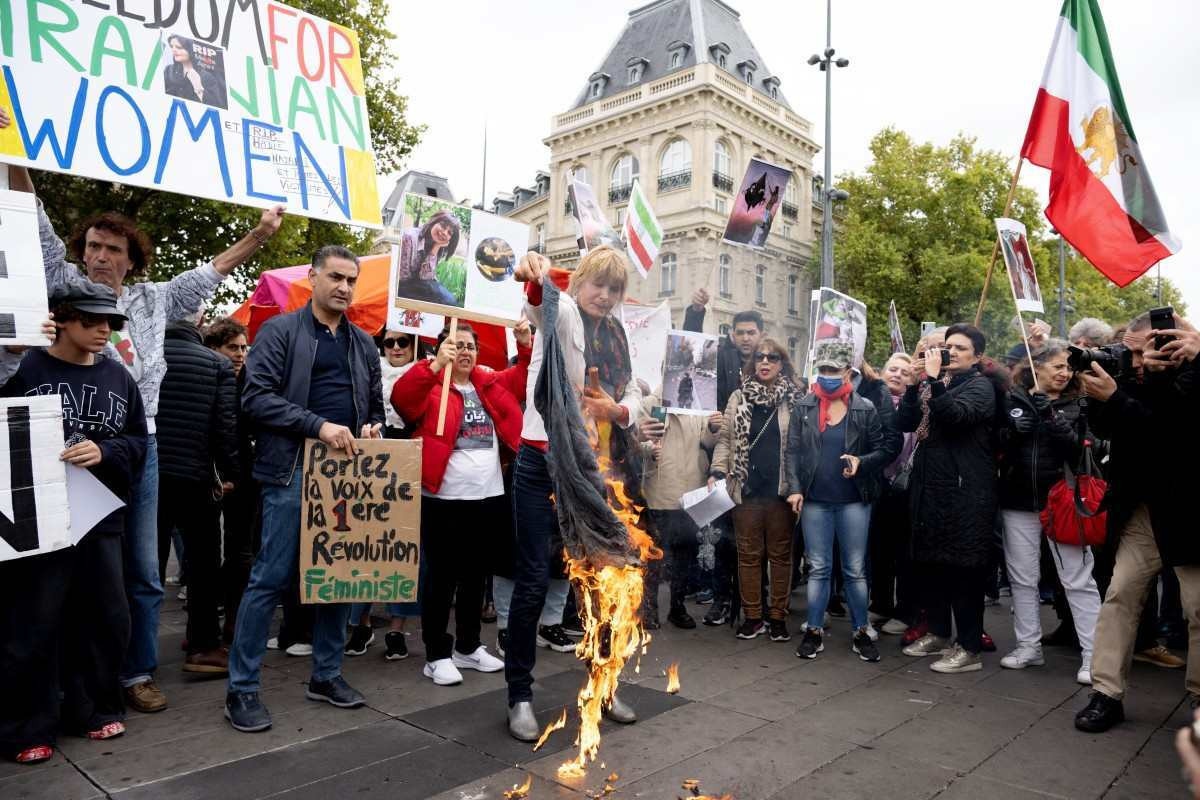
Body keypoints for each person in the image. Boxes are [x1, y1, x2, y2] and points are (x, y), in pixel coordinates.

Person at [8, 157, 284, 714]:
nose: (99, 257)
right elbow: (34, 220)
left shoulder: (155, 300)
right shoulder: (62, 285)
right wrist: (16, 155)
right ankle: (67, 678)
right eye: (92, 246)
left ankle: (134, 672)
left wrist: (259, 232)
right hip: (59, 451)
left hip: (139, 450)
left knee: (141, 569)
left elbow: (213, 269)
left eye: (113, 249)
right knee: (57, 570)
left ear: (133, 260)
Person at [225, 245, 385, 733]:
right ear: (313, 278)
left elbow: (375, 403)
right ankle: (243, 689)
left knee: (343, 576)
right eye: (335, 277)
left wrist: (373, 426)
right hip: (292, 469)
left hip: (347, 476)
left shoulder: (363, 342)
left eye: (350, 280)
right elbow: (255, 399)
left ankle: (327, 675)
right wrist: (320, 426)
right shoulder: (279, 331)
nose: (343, 287)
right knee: (270, 578)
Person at [0, 285, 146, 763]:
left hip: (99, 513)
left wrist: (107, 451)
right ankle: (27, 726)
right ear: (61, 319)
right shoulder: (25, 367)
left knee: (106, 617)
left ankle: (95, 709)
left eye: (113, 322)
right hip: (33, 515)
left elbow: (138, 442)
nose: (105, 329)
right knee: (34, 620)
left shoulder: (119, 376)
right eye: (92, 320)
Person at [504, 247, 642, 742]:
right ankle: (519, 696)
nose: (604, 296)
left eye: (614, 289)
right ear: (580, 280)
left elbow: (635, 394)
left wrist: (618, 411)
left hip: (593, 469)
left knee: (603, 582)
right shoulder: (561, 313)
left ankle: (605, 687)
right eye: (597, 284)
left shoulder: (618, 335)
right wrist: (532, 273)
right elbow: (540, 303)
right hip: (540, 462)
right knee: (534, 581)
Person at [1074, 314, 1200, 733]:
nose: (1135, 360)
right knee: (1120, 595)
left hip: (1189, 511)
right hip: (1141, 510)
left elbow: (1169, 433)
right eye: (1128, 351)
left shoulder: (1193, 374)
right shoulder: (1128, 378)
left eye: (1142, 350)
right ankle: (1105, 693)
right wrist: (1099, 396)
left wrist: (1117, 398)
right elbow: (1106, 426)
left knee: (1196, 607)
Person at [392, 321, 531, 685]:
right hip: (444, 499)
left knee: (475, 576)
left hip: (488, 496)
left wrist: (524, 343)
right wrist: (435, 366)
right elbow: (402, 399)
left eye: (470, 346)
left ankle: (467, 647)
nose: (465, 351)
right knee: (442, 577)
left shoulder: (487, 382)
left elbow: (522, 378)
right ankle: (436, 653)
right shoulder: (431, 385)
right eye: (456, 345)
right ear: (442, 349)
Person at [898, 324, 1000, 673]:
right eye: (947, 346)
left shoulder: (980, 387)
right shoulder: (933, 384)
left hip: (965, 493)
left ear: (977, 357)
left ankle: (968, 647)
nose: (950, 352)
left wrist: (935, 384)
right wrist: (914, 386)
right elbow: (906, 422)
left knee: (964, 572)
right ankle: (939, 634)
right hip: (930, 489)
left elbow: (956, 417)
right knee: (931, 566)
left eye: (960, 348)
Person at [998, 340, 1100, 685]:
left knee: (1078, 579)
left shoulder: (1080, 404)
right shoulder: (1012, 400)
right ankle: (1029, 646)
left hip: (1064, 501)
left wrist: (1051, 417)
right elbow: (997, 448)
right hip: (1018, 500)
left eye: (1068, 367)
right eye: (1057, 365)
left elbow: (1080, 451)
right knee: (1022, 578)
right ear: (1036, 365)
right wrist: (1011, 433)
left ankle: (1093, 655)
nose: (1064, 373)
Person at [787, 344, 889, 662]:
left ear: (848, 373)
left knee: (855, 570)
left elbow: (884, 449)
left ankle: (861, 631)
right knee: (818, 568)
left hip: (854, 501)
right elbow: (791, 452)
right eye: (823, 371)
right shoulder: (803, 407)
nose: (828, 377)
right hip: (816, 501)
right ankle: (813, 630)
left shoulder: (865, 408)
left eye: (834, 371)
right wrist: (794, 488)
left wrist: (862, 461)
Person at [155, 315, 239, 674]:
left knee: (147, 567)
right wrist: (231, 472)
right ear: (199, 322)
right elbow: (225, 427)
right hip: (197, 475)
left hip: (150, 475)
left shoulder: (145, 354)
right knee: (203, 564)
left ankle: (135, 654)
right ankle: (203, 646)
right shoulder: (217, 364)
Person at [709, 337, 799, 641]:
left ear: (781, 363)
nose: (764, 362)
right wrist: (717, 471)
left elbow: (800, 447)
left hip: (780, 491)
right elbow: (724, 439)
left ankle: (777, 617)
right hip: (745, 489)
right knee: (748, 555)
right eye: (760, 357)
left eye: (772, 358)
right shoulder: (738, 396)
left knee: (780, 556)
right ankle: (753, 617)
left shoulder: (794, 398)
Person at [683, 297, 764, 627]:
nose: (746, 338)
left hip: (759, 470)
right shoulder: (724, 357)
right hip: (721, 458)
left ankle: (755, 603)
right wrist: (696, 311)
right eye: (740, 332)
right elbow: (692, 344)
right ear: (732, 336)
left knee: (753, 540)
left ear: (761, 334)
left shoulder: (769, 361)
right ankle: (720, 599)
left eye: (751, 332)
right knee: (720, 534)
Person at [343, 329, 423, 659]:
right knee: (365, 546)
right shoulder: (368, 374)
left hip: (410, 471)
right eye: (388, 342)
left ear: (414, 344)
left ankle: (396, 629)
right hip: (371, 473)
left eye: (402, 341)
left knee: (404, 550)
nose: (395, 348)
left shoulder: (426, 376)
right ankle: (361, 624)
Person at [638, 395, 720, 630]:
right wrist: (648, 449)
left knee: (685, 556)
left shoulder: (699, 402)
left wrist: (714, 428)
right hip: (660, 491)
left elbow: (707, 440)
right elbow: (639, 439)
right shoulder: (651, 402)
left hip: (692, 491)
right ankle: (649, 609)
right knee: (655, 556)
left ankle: (678, 607)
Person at [203, 317, 256, 642]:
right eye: (231, 347)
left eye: (243, 347)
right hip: (210, 476)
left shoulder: (253, 382)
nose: (239, 354)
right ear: (213, 348)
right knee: (207, 551)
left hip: (246, 477)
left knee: (240, 551)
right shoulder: (205, 379)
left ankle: (234, 620)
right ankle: (207, 623)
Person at [870, 354, 918, 636]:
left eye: (904, 371)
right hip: (877, 482)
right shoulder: (871, 403)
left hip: (907, 485)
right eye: (892, 369)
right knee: (878, 549)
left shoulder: (913, 405)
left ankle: (905, 609)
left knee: (904, 552)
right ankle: (881, 602)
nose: (897, 374)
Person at [396, 210, 461, 306]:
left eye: (449, 233)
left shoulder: (438, 244)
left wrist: (436, 246)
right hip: (401, 287)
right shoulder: (409, 237)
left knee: (449, 300)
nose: (444, 233)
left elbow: (426, 277)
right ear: (434, 221)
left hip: (418, 283)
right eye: (443, 226)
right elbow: (403, 278)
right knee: (446, 301)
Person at [162, 34, 228, 109]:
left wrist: (198, 87)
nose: (173, 50)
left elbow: (216, 107)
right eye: (171, 46)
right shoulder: (168, 70)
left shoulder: (207, 77)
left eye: (179, 47)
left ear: (190, 49)